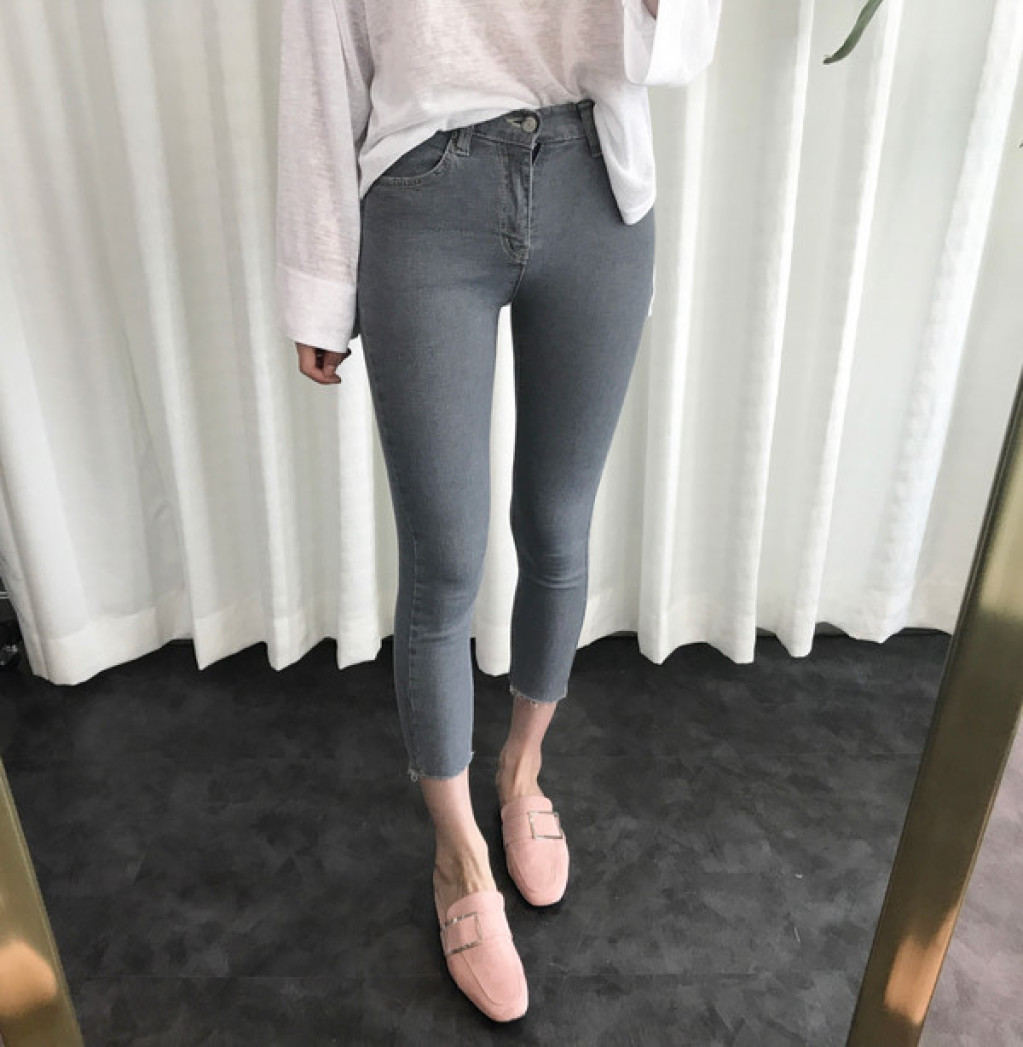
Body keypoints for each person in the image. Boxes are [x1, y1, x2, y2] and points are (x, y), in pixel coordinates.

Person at [276, 0, 723, 1023]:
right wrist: (318, 283)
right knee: (444, 562)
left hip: (595, 179)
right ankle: (459, 856)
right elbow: (319, 62)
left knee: (559, 527)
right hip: (424, 189)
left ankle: (521, 772)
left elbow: (679, 45)